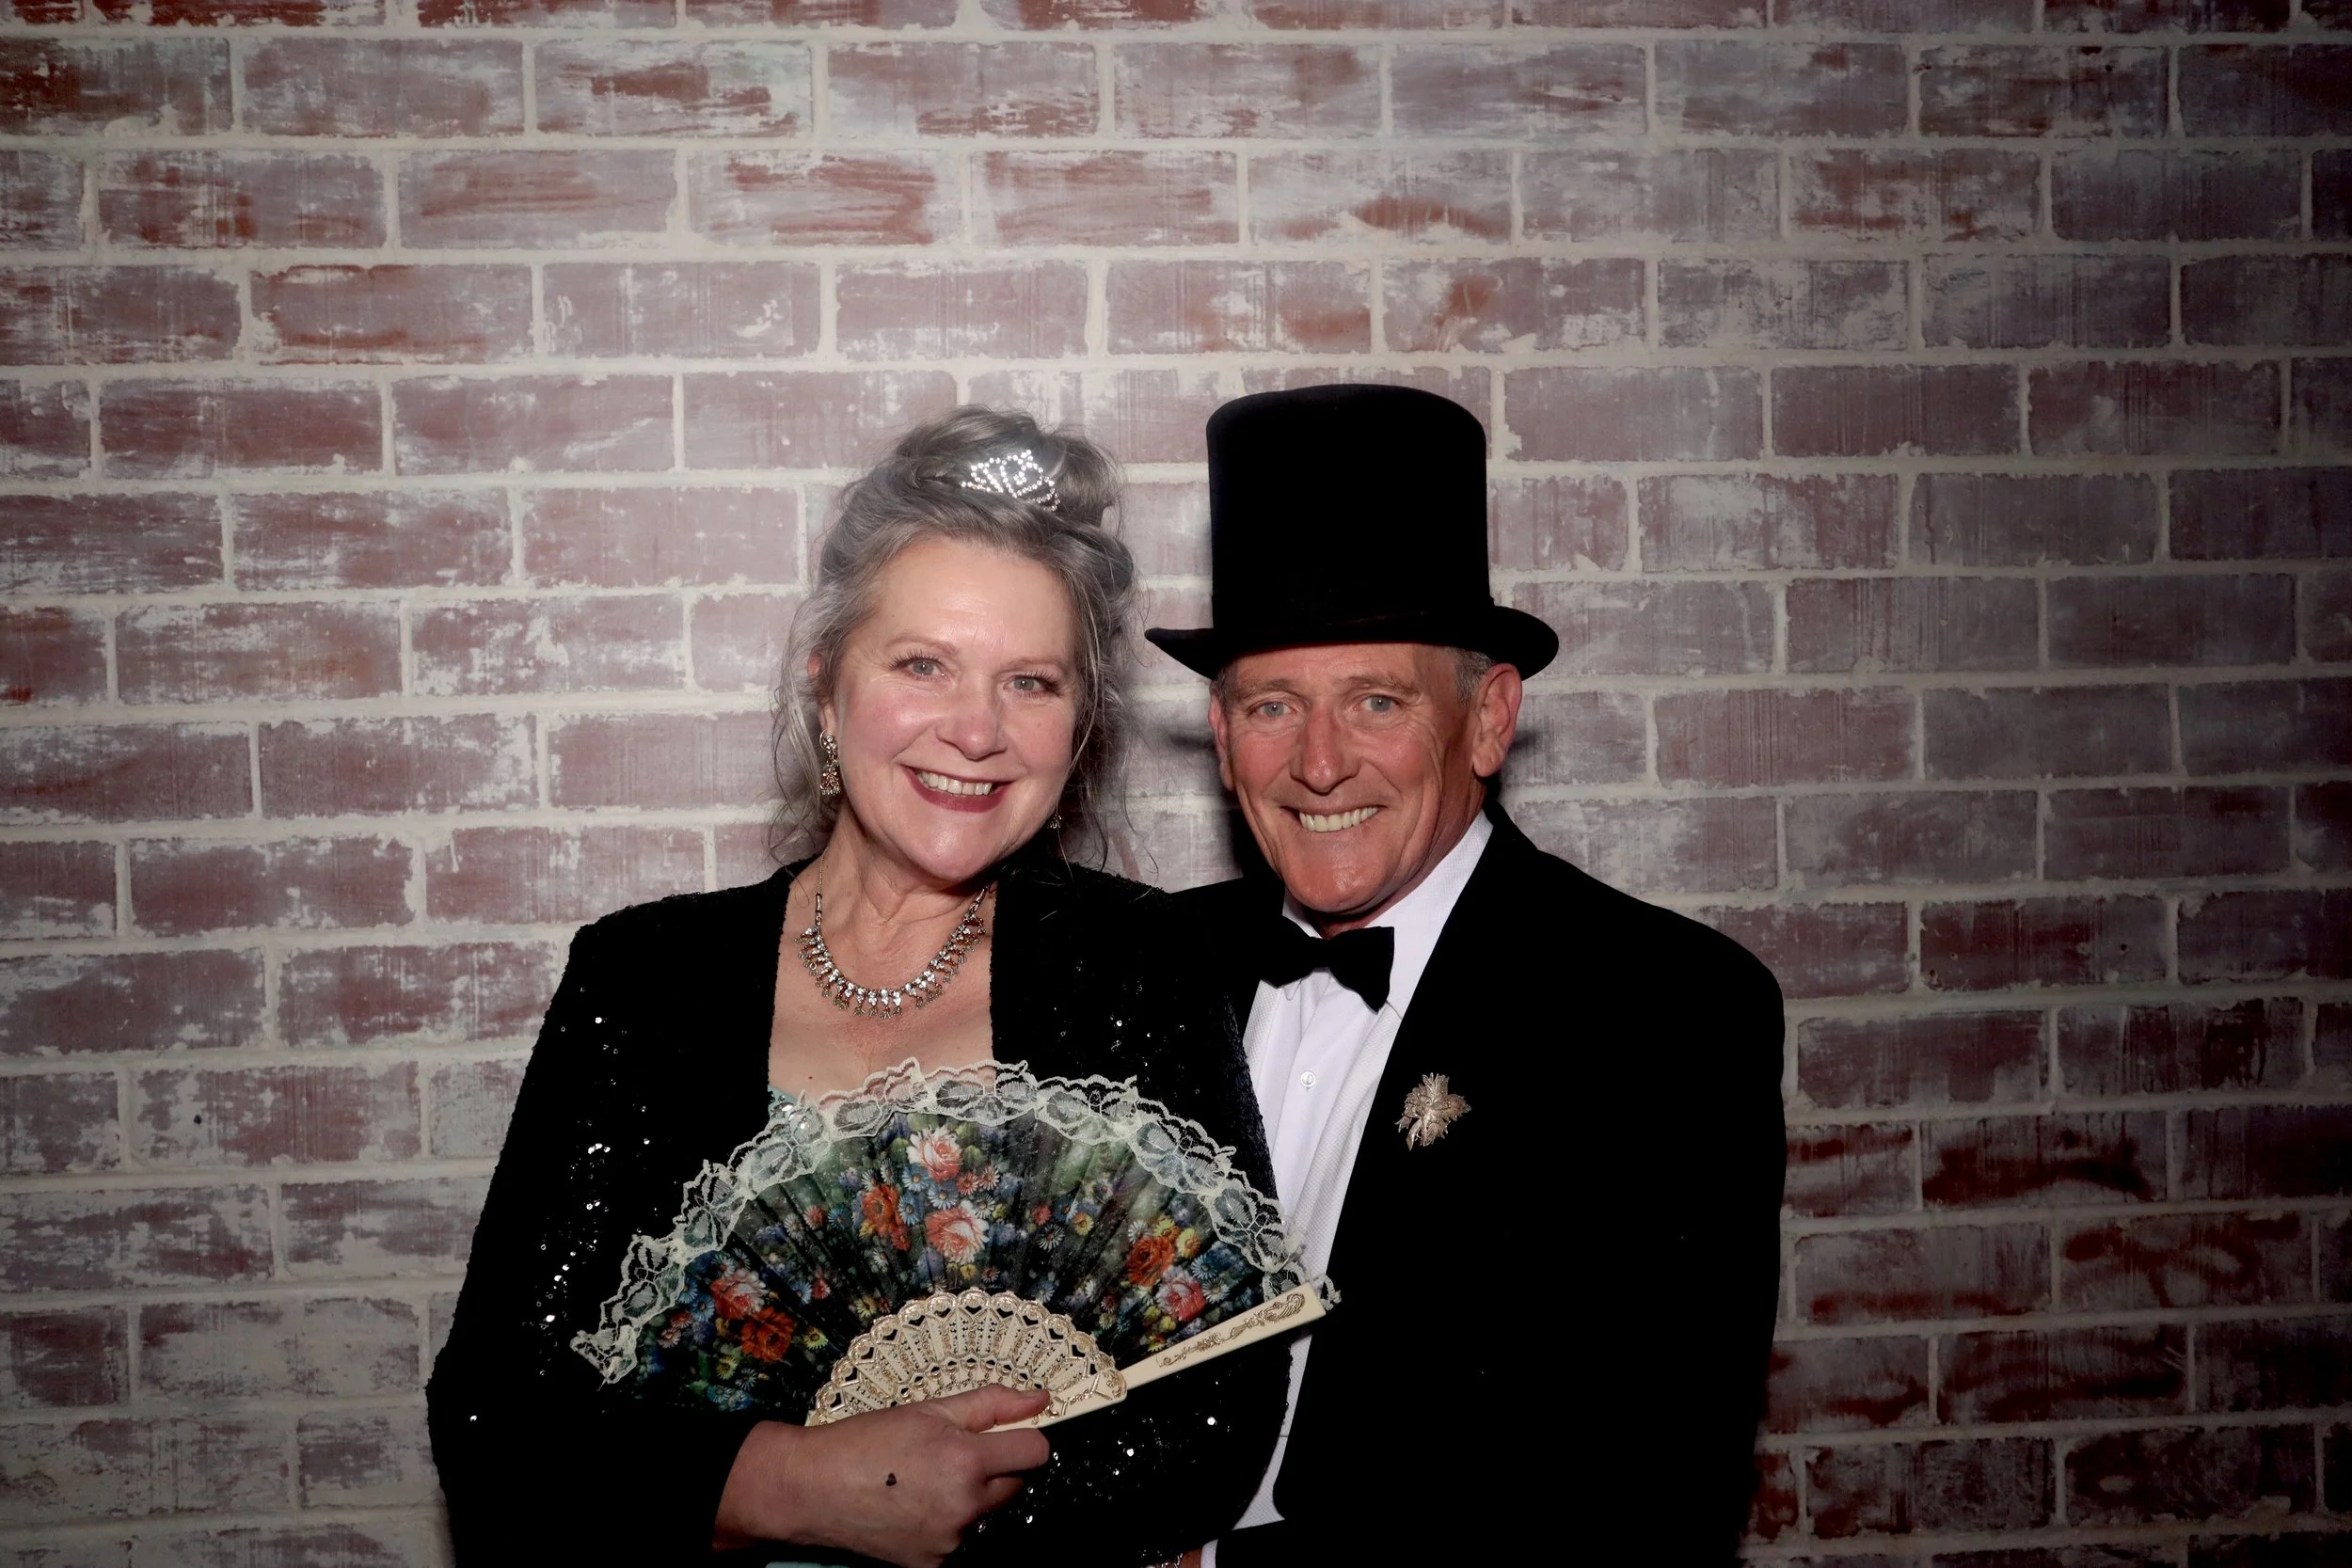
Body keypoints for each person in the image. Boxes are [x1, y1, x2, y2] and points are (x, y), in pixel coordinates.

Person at [428, 407, 1285, 1568]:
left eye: (1030, 680)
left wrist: (961, 1519)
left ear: (1080, 726)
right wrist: (793, 1482)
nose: (975, 729)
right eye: (923, 663)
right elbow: (497, 1427)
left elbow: (1213, 1405)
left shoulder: (1134, 966)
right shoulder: (645, 979)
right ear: (829, 684)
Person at [1147, 384, 1788, 1564]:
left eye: (1376, 700)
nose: (1320, 762)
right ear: (1221, 732)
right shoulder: (1145, 968)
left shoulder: (1660, 1011)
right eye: (1273, 703)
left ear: (1488, 719)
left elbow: (1629, 1499)